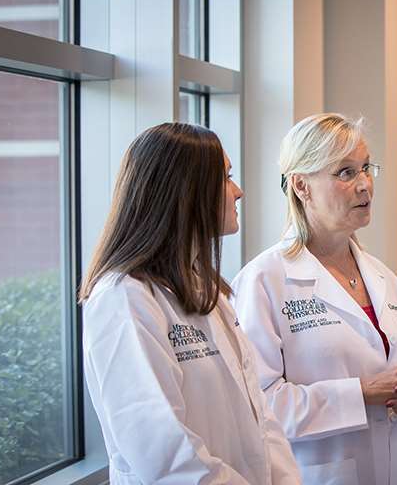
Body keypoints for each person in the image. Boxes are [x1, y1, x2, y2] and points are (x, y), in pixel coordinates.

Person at [79, 123, 301, 484]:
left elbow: (261, 420)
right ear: (185, 192)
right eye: (226, 178)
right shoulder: (123, 298)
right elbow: (162, 451)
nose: (239, 191)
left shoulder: (207, 291)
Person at [231, 113, 397, 484]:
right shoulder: (263, 281)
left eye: (366, 168)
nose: (365, 185)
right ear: (301, 186)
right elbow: (257, 407)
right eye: (345, 173)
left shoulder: (385, 279)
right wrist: (359, 394)